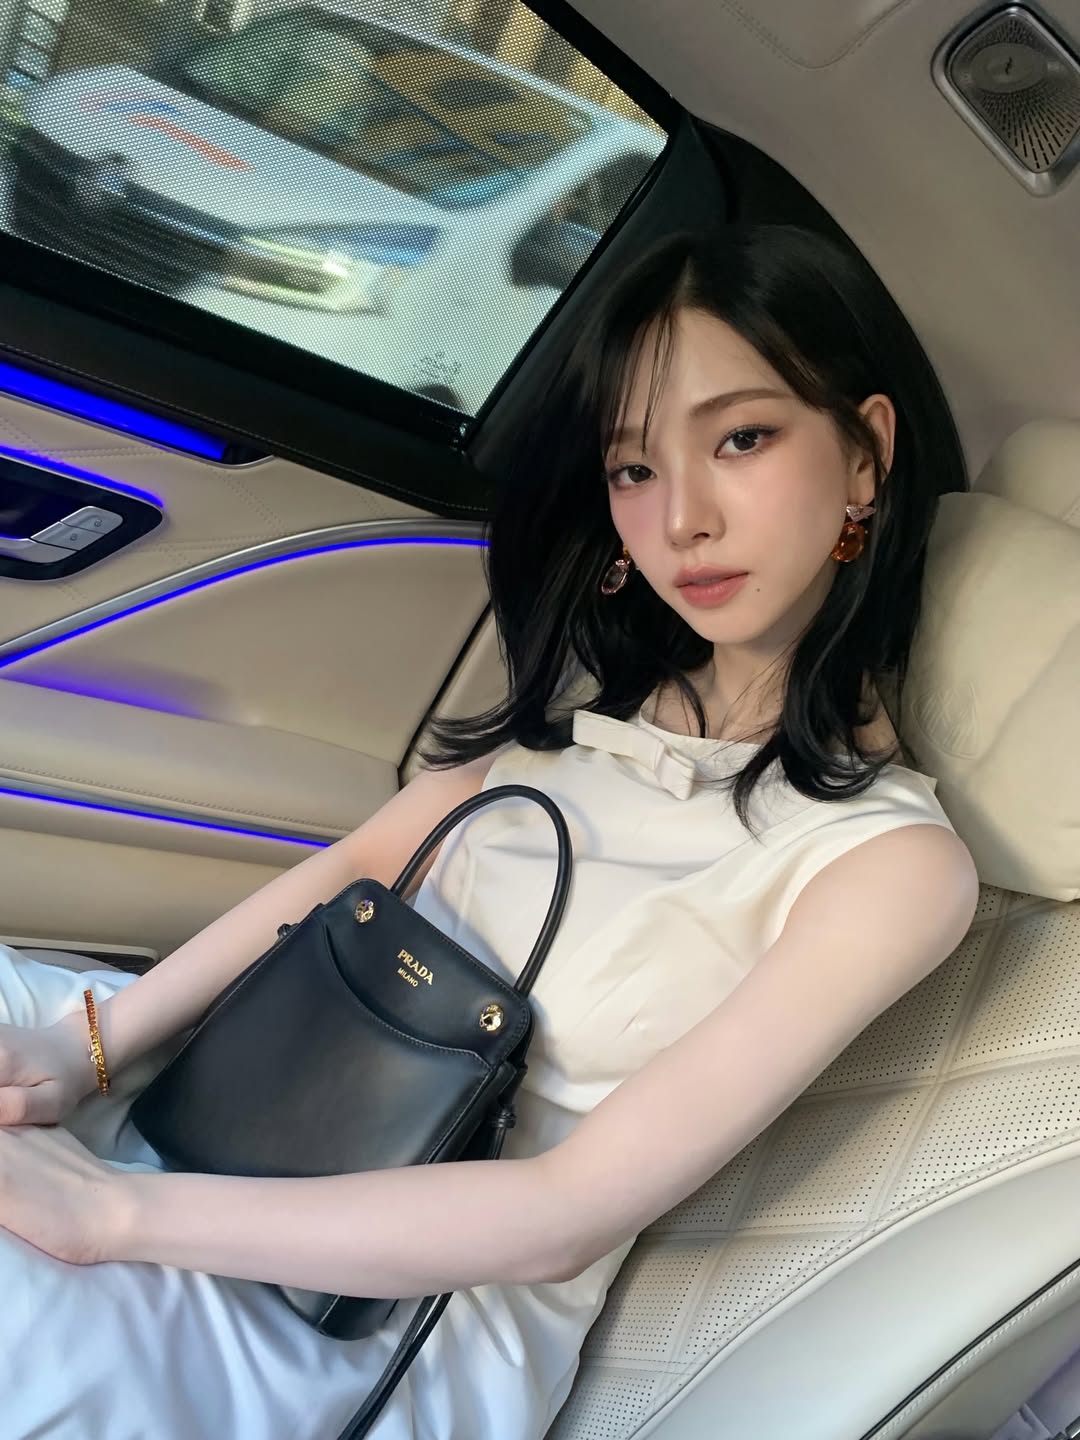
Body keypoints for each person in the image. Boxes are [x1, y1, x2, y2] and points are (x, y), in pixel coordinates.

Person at [0, 225, 979, 1440]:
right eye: (634, 468)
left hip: (390, 1311)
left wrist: (111, 1218)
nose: (681, 519)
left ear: (866, 455)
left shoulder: (889, 867)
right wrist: (86, 1050)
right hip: (246, 1112)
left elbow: (563, 1212)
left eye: (741, 439)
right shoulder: (590, 732)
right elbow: (359, 870)